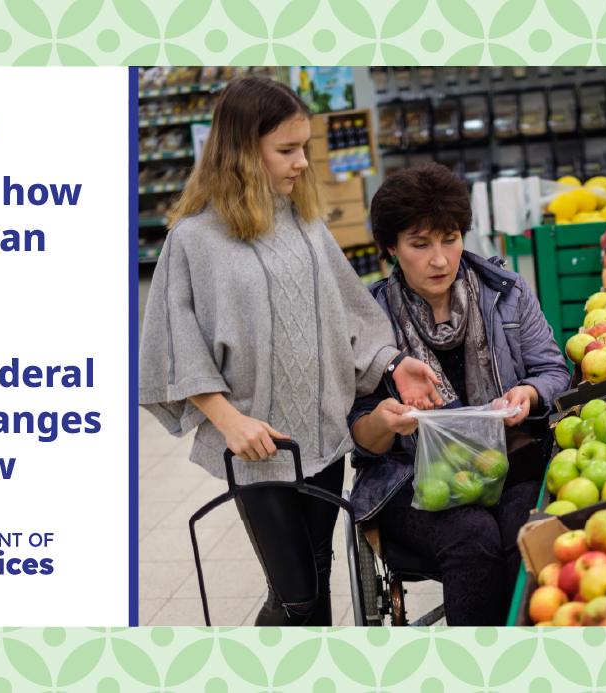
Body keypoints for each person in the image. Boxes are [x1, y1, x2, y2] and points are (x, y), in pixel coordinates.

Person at [138, 77, 442, 626]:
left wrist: (395, 364)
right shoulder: (193, 240)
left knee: (316, 585)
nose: (303, 161)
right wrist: (228, 420)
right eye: (287, 150)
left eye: (303, 146)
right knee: (298, 597)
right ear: (239, 151)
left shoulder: (305, 226)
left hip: (321, 438)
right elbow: (172, 342)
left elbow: (348, 311)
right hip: (257, 451)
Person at [348, 163, 571, 626]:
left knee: (522, 531)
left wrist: (527, 394)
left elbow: (553, 371)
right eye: (419, 243)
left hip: (509, 461)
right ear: (391, 247)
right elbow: (360, 434)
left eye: (450, 238)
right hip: (410, 480)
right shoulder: (369, 319)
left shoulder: (505, 293)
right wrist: (385, 422)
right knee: (471, 536)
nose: (440, 260)